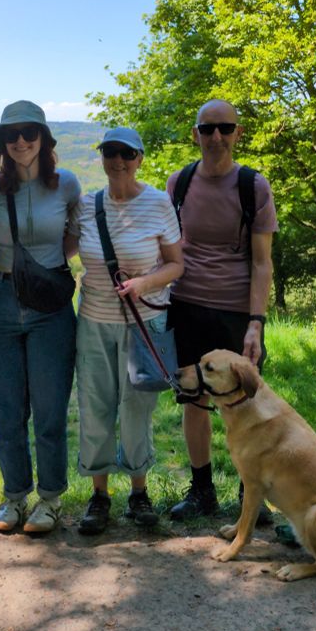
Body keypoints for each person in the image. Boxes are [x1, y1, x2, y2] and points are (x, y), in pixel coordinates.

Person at [67, 127, 183, 534]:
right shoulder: (86, 206)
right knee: (95, 407)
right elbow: (62, 248)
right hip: (94, 323)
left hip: (144, 324)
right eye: (111, 152)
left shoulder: (158, 203)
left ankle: (138, 491)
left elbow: (175, 264)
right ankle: (99, 496)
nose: (118, 161)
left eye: (127, 154)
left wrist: (144, 284)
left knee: (136, 409)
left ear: (140, 159)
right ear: (101, 157)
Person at [167, 99, 277, 520]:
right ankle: (202, 491)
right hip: (187, 304)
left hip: (236, 310)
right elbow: (166, 245)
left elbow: (262, 261)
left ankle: (252, 493)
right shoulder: (179, 183)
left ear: (237, 133)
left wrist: (256, 323)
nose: (216, 137)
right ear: (194, 133)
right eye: (207, 129)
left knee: (245, 402)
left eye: (224, 128)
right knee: (194, 400)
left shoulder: (253, 186)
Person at [0, 100, 80, 535]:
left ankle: (51, 499)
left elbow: (75, 237)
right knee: (5, 411)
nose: (21, 141)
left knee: (51, 409)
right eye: (12, 135)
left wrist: (43, 272)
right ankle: (15, 497)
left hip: (50, 307)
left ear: (44, 139)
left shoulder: (67, 185)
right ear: (2, 143)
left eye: (30, 133)